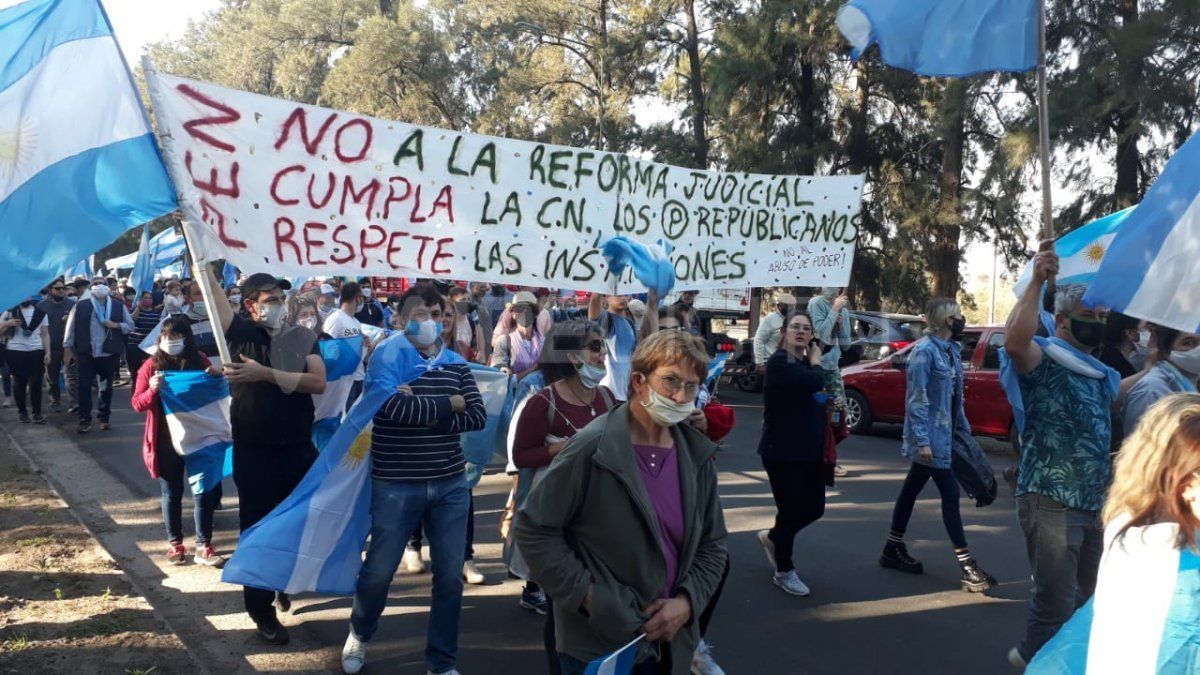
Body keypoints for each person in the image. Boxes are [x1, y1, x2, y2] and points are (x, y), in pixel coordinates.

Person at [515, 330, 728, 675]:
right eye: (671, 381)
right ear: (639, 381)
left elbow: (714, 544)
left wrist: (687, 603)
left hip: (671, 643)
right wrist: (591, 599)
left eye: (691, 387)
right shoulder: (592, 447)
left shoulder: (695, 453)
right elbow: (534, 530)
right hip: (600, 644)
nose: (680, 396)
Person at [341, 286, 487, 675]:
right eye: (420, 314)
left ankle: (441, 662)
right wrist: (448, 404)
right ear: (401, 320)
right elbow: (388, 408)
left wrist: (425, 408)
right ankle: (360, 631)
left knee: (449, 579)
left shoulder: (455, 363)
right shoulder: (386, 360)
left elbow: (476, 416)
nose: (431, 322)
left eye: (436, 314)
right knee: (379, 571)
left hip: (450, 484)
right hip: (396, 484)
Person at [1002, 246, 1127, 668]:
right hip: (1051, 500)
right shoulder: (1045, 357)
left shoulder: (1097, 372)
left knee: (1087, 601)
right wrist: (1038, 281)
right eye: (1089, 316)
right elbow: (1015, 341)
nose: (1098, 324)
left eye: (1101, 317)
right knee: (1053, 606)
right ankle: (1034, 661)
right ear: (1062, 320)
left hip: (1093, 504)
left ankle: (1046, 660)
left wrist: (1162, 365)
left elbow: (1117, 397)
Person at [1027, 393, 1200, 673]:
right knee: (1053, 599)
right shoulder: (1164, 548)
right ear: (1185, 482)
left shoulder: (1132, 523)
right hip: (1056, 500)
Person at [202, 269, 326, 645]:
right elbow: (211, 290)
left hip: (298, 450)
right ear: (251, 305)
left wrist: (264, 373)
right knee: (256, 530)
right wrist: (198, 243)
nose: (278, 304)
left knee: (293, 527)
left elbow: (318, 382)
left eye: (280, 297)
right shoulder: (239, 335)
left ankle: (281, 582)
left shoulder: (301, 337)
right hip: (255, 453)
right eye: (270, 298)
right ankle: (261, 612)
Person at [878, 299, 997, 592]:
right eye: (958, 316)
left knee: (911, 490)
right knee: (950, 493)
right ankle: (967, 566)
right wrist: (922, 440)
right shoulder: (924, 352)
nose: (962, 319)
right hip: (930, 439)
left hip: (947, 435)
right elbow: (917, 399)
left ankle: (891, 549)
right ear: (946, 320)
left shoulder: (951, 350)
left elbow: (956, 398)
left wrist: (964, 431)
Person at [511, 321, 614, 630]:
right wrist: (565, 449)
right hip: (557, 513)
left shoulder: (607, 398)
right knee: (564, 603)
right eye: (594, 347)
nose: (602, 354)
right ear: (571, 355)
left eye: (602, 346)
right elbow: (521, 456)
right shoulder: (542, 402)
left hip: (598, 511)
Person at [130, 317, 225, 566]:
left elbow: (219, 390)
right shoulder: (151, 366)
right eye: (167, 337)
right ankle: (175, 544)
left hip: (200, 435)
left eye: (177, 337)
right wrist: (152, 390)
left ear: (187, 338)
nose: (171, 342)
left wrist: (216, 376)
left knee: (202, 492)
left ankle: (204, 545)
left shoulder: (200, 360)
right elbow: (138, 403)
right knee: (171, 493)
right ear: (160, 339)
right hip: (165, 440)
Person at [755, 310, 828, 596]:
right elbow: (811, 382)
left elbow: (814, 393)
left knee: (814, 507)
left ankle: (773, 537)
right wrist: (817, 362)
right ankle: (784, 569)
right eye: (795, 327)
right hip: (782, 451)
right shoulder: (779, 363)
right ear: (783, 332)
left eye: (806, 329)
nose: (801, 332)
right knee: (790, 511)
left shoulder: (802, 363)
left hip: (809, 449)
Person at [63, 278, 133, 434]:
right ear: (90, 288)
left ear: (108, 288)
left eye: (102, 284)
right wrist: (68, 349)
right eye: (95, 284)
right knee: (84, 386)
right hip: (86, 352)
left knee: (105, 388)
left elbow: (130, 325)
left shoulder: (117, 306)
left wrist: (116, 325)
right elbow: (70, 329)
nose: (99, 287)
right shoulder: (80, 305)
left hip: (108, 353)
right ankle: (84, 419)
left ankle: (104, 417)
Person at [1122, 326, 1200, 432]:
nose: (1197, 350)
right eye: (1188, 343)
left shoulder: (1192, 383)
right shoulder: (1152, 391)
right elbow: (1144, 444)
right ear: (1166, 351)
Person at [588, 291, 659, 402]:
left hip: (629, 392)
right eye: (618, 295)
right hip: (611, 392)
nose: (623, 298)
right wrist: (598, 289)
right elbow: (594, 307)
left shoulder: (629, 323)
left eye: (625, 294)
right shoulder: (608, 319)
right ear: (607, 297)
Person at [1, 296, 50, 424]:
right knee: (19, 383)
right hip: (15, 351)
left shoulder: (40, 313)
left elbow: (45, 333)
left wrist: (48, 352)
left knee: (36, 383)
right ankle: (22, 412)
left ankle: (37, 413)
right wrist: (8, 323)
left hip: (36, 351)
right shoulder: (10, 312)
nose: (26, 297)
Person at [324, 281, 368, 410]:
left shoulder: (356, 322)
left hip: (358, 377)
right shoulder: (336, 319)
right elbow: (326, 350)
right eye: (362, 297)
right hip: (343, 382)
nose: (363, 301)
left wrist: (365, 344)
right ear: (357, 298)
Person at [38, 278, 75, 411]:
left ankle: (73, 403)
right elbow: (39, 329)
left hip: (69, 347)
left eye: (63, 288)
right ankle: (54, 400)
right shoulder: (42, 306)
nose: (61, 291)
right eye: (58, 289)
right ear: (50, 290)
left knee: (71, 376)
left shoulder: (72, 305)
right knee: (52, 377)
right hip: (51, 347)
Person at [492, 291, 547, 379]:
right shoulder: (504, 341)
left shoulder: (544, 341)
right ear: (514, 314)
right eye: (520, 309)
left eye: (530, 310)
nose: (525, 313)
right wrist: (535, 368)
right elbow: (498, 374)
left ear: (535, 314)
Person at [752, 292, 796, 370]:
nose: (790, 309)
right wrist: (760, 363)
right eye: (786, 306)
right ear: (779, 306)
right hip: (769, 363)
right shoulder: (770, 319)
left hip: (786, 363)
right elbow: (759, 340)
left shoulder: (793, 320)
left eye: (791, 307)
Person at [1097, 312, 1146, 378]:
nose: (1149, 333)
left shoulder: (1103, 357)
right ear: (1130, 333)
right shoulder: (1120, 370)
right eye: (1145, 328)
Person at [127, 291, 162, 380]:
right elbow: (132, 320)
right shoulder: (134, 311)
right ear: (140, 300)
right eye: (145, 298)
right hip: (135, 346)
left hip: (149, 347)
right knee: (135, 374)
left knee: (149, 372)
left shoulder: (156, 312)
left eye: (150, 298)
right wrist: (138, 307)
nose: (148, 299)